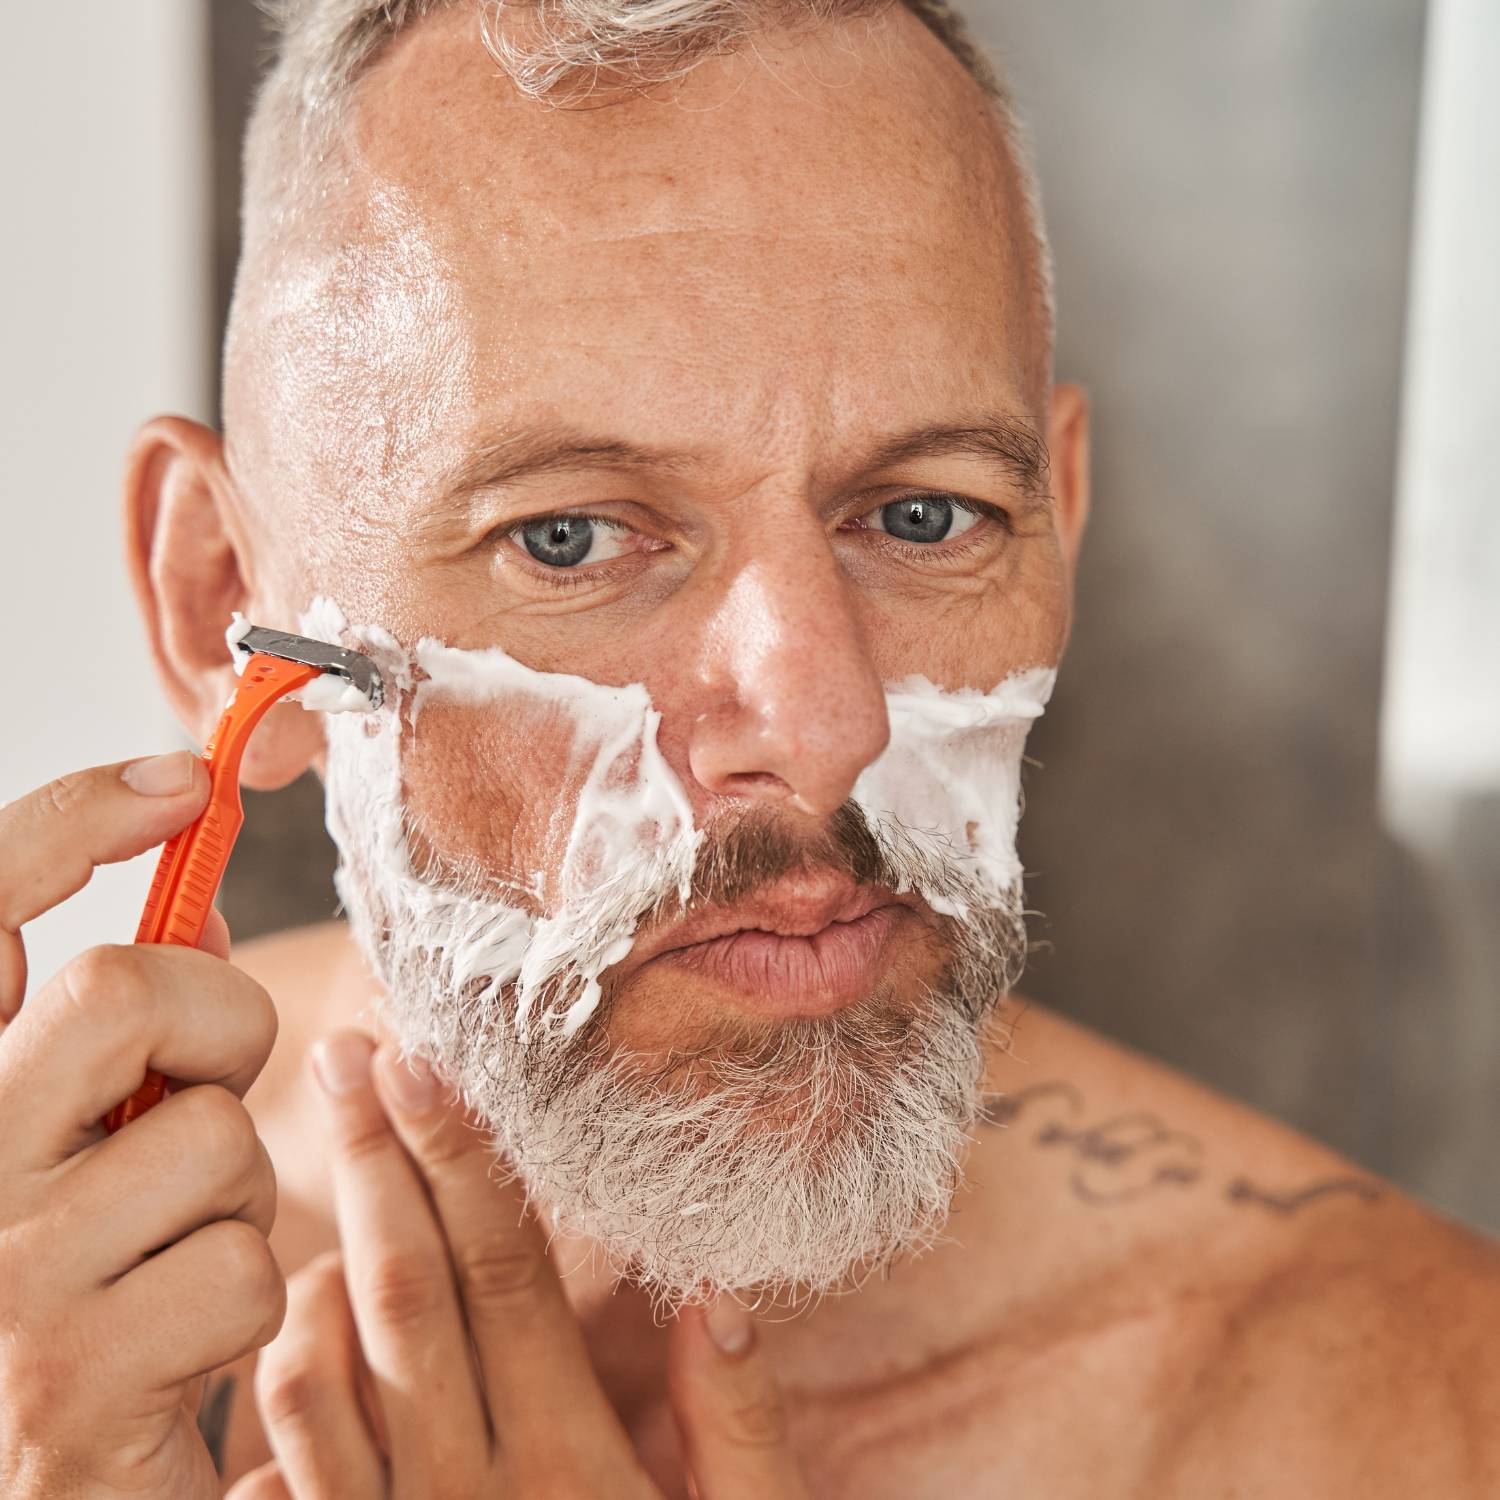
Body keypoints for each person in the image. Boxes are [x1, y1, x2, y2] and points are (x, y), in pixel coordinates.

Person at [1, 2, 1496, 1496]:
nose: (827, 731)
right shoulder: (33, 1326)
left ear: (1064, 520)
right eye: (571, 538)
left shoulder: (1404, 1416)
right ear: (220, 605)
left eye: (925, 516)